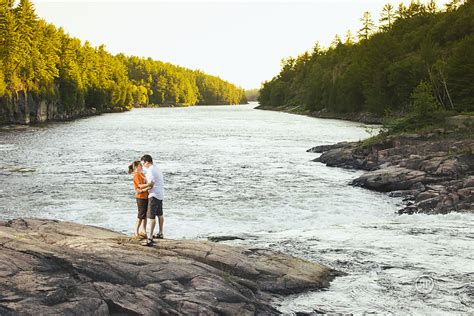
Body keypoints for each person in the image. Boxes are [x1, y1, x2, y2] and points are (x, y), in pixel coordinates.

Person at [138, 154, 164, 246]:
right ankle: (161, 233)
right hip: (160, 194)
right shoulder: (156, 168)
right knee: (160, 214)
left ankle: (150, 237)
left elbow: (151, 184)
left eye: (143, 163)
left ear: (147, 162)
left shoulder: (150, 170)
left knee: (151, 217)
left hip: (153, 195)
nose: (143, 166)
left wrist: (141, 189)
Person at [128, 160, 148, 239]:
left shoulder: (142, 174)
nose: (142, 166)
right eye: (140, 165)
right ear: (136, 167)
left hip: (146, 196)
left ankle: (143, 231)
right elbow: (140, 186)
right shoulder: (136, 175)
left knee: (144, 215)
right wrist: (149, 185)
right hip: (140, 197)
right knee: (140, 215)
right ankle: (136, 232)